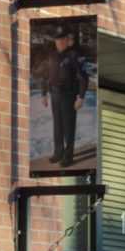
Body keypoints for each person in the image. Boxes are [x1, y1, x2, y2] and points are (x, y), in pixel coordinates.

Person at [48, 25, 88, 168]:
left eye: (62, 39)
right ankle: (58, 152)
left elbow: (83, 77)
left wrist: (81, 97)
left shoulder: (74, 55)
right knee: (57, 125)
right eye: (57, 40)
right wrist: (43, 93)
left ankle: (68, 156)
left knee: (68, 127)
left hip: (68, 95)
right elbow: (48, 76)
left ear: (67, 40)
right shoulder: (53, 56)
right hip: (55, 94)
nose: (59, 42)